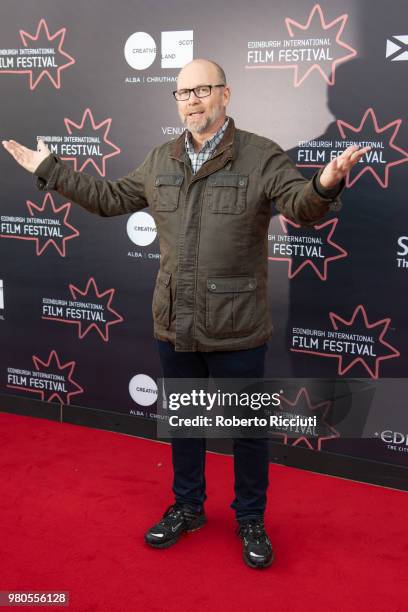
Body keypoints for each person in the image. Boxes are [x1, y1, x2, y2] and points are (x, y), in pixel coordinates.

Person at [2, 59, 369, 570]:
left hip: (237, 324)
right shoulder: (161, 159)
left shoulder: (261, 156)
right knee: (186, 421)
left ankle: (250, 519)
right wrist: (49, 170)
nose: (192, 100)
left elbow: (301, 206)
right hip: (176, 321)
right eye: (183, 92)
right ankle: (189, 507)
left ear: (225, 94)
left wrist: (326, 183)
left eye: (202, 89)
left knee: (246, 429)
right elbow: (109, 199)